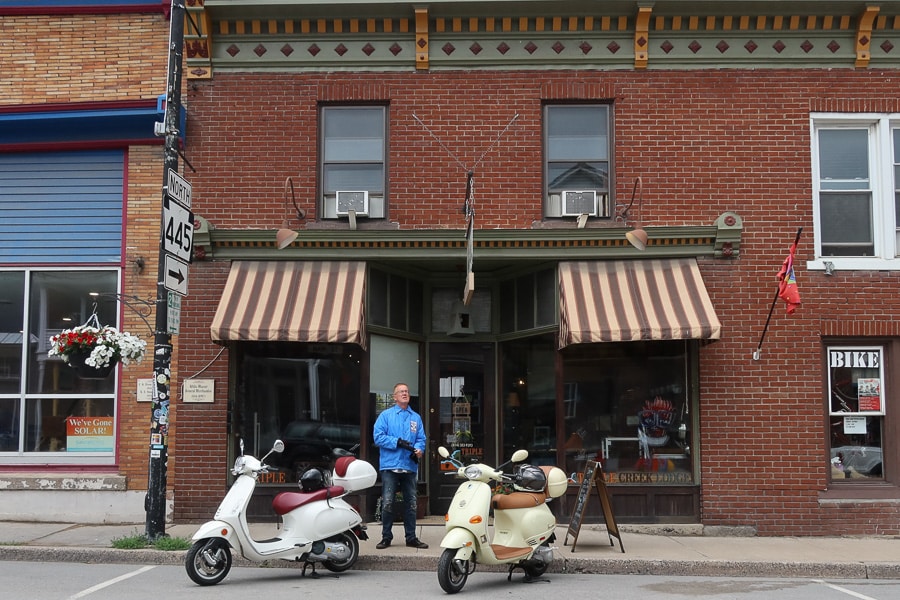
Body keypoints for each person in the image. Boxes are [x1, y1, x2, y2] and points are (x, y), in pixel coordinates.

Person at [373, 382, 428, 549]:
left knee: (411, 503)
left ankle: (411, 538)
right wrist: (396, 442)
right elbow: (378, 437)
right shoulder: (386, 416)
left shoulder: (415, 417)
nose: (405, 393)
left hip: (409, 466)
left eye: (407, 391)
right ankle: (386, 537)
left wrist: (419, 449)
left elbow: (421, 438)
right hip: (390, 466)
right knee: (388, 502)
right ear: (394, 396)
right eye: (401, 391)